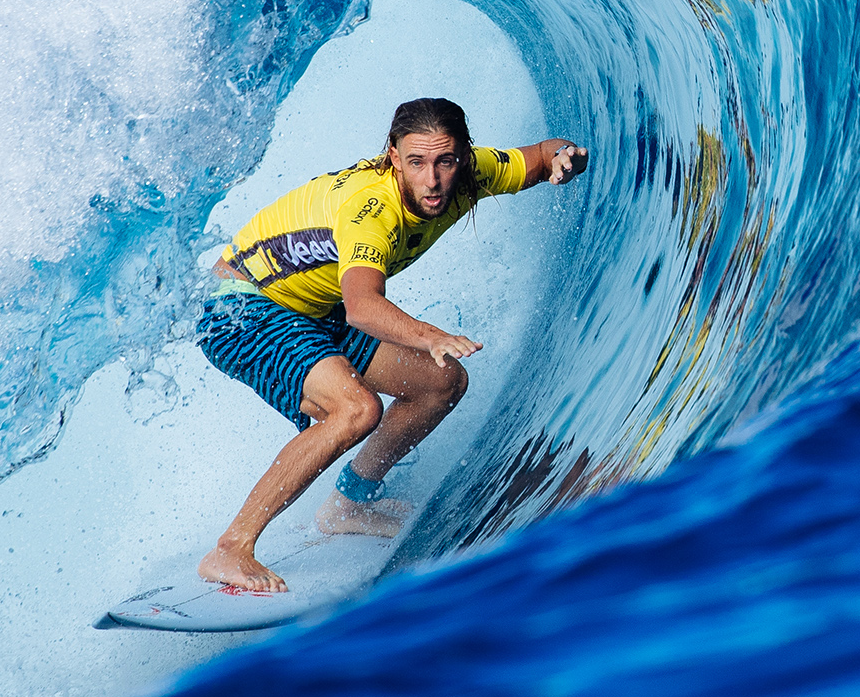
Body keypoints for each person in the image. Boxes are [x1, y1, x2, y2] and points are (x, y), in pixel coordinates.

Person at [194, 96, 589, 592]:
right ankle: (230, 550)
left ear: (464, 156)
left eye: (445, 161)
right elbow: (361, 306)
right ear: (393, 157)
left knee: (440, 381)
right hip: (238, 307)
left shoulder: (473, 172)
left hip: (307, 307)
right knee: (356, 409)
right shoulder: (371, 211)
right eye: (417, 162)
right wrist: (433, 335)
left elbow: (539, 155)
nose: (432, 180)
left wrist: (565, 157)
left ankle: (351, 503)